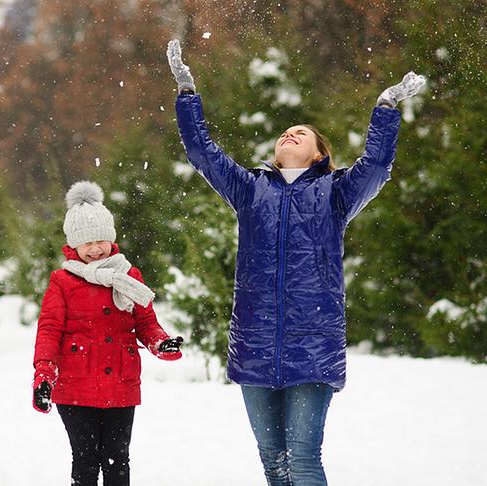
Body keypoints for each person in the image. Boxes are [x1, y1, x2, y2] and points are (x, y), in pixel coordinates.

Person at [166, 39, 425, 485]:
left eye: (301, 133)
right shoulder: (250, 190)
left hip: (313, 344)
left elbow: (378, 163)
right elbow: (203, 154)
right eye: (285, 131)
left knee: (303, 459)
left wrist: (386, 106)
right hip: (254, 342)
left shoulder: (336, 193)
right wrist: (188, 93)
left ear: (319, 155)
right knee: (273, 462)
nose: (290, 134)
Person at [31, 180, 184, 486]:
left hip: (120, 384)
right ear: (73, 245)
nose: (96, 248)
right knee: (85, 460)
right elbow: (49, 331)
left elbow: (145, 323)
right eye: (87, 242)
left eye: (101, 240)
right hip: (75, 387)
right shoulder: (62, 281)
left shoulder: (128, 276)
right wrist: (44, 375)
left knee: (117, 459)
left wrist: (160, 342)